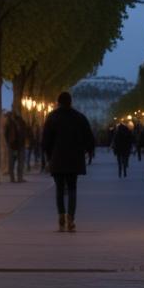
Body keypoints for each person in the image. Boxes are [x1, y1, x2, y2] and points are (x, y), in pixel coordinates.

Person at [40, 92, 94, 232]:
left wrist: (48, 156)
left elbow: (46, 140)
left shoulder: (52, 117)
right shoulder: (79, 117)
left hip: (57, 158)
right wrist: (88, 151)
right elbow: (89, 137)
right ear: (70, 102)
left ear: (58, 102)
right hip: (74, 159)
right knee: (72, 188)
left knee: (59, 189)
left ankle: (61, 216)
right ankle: (71, 217)